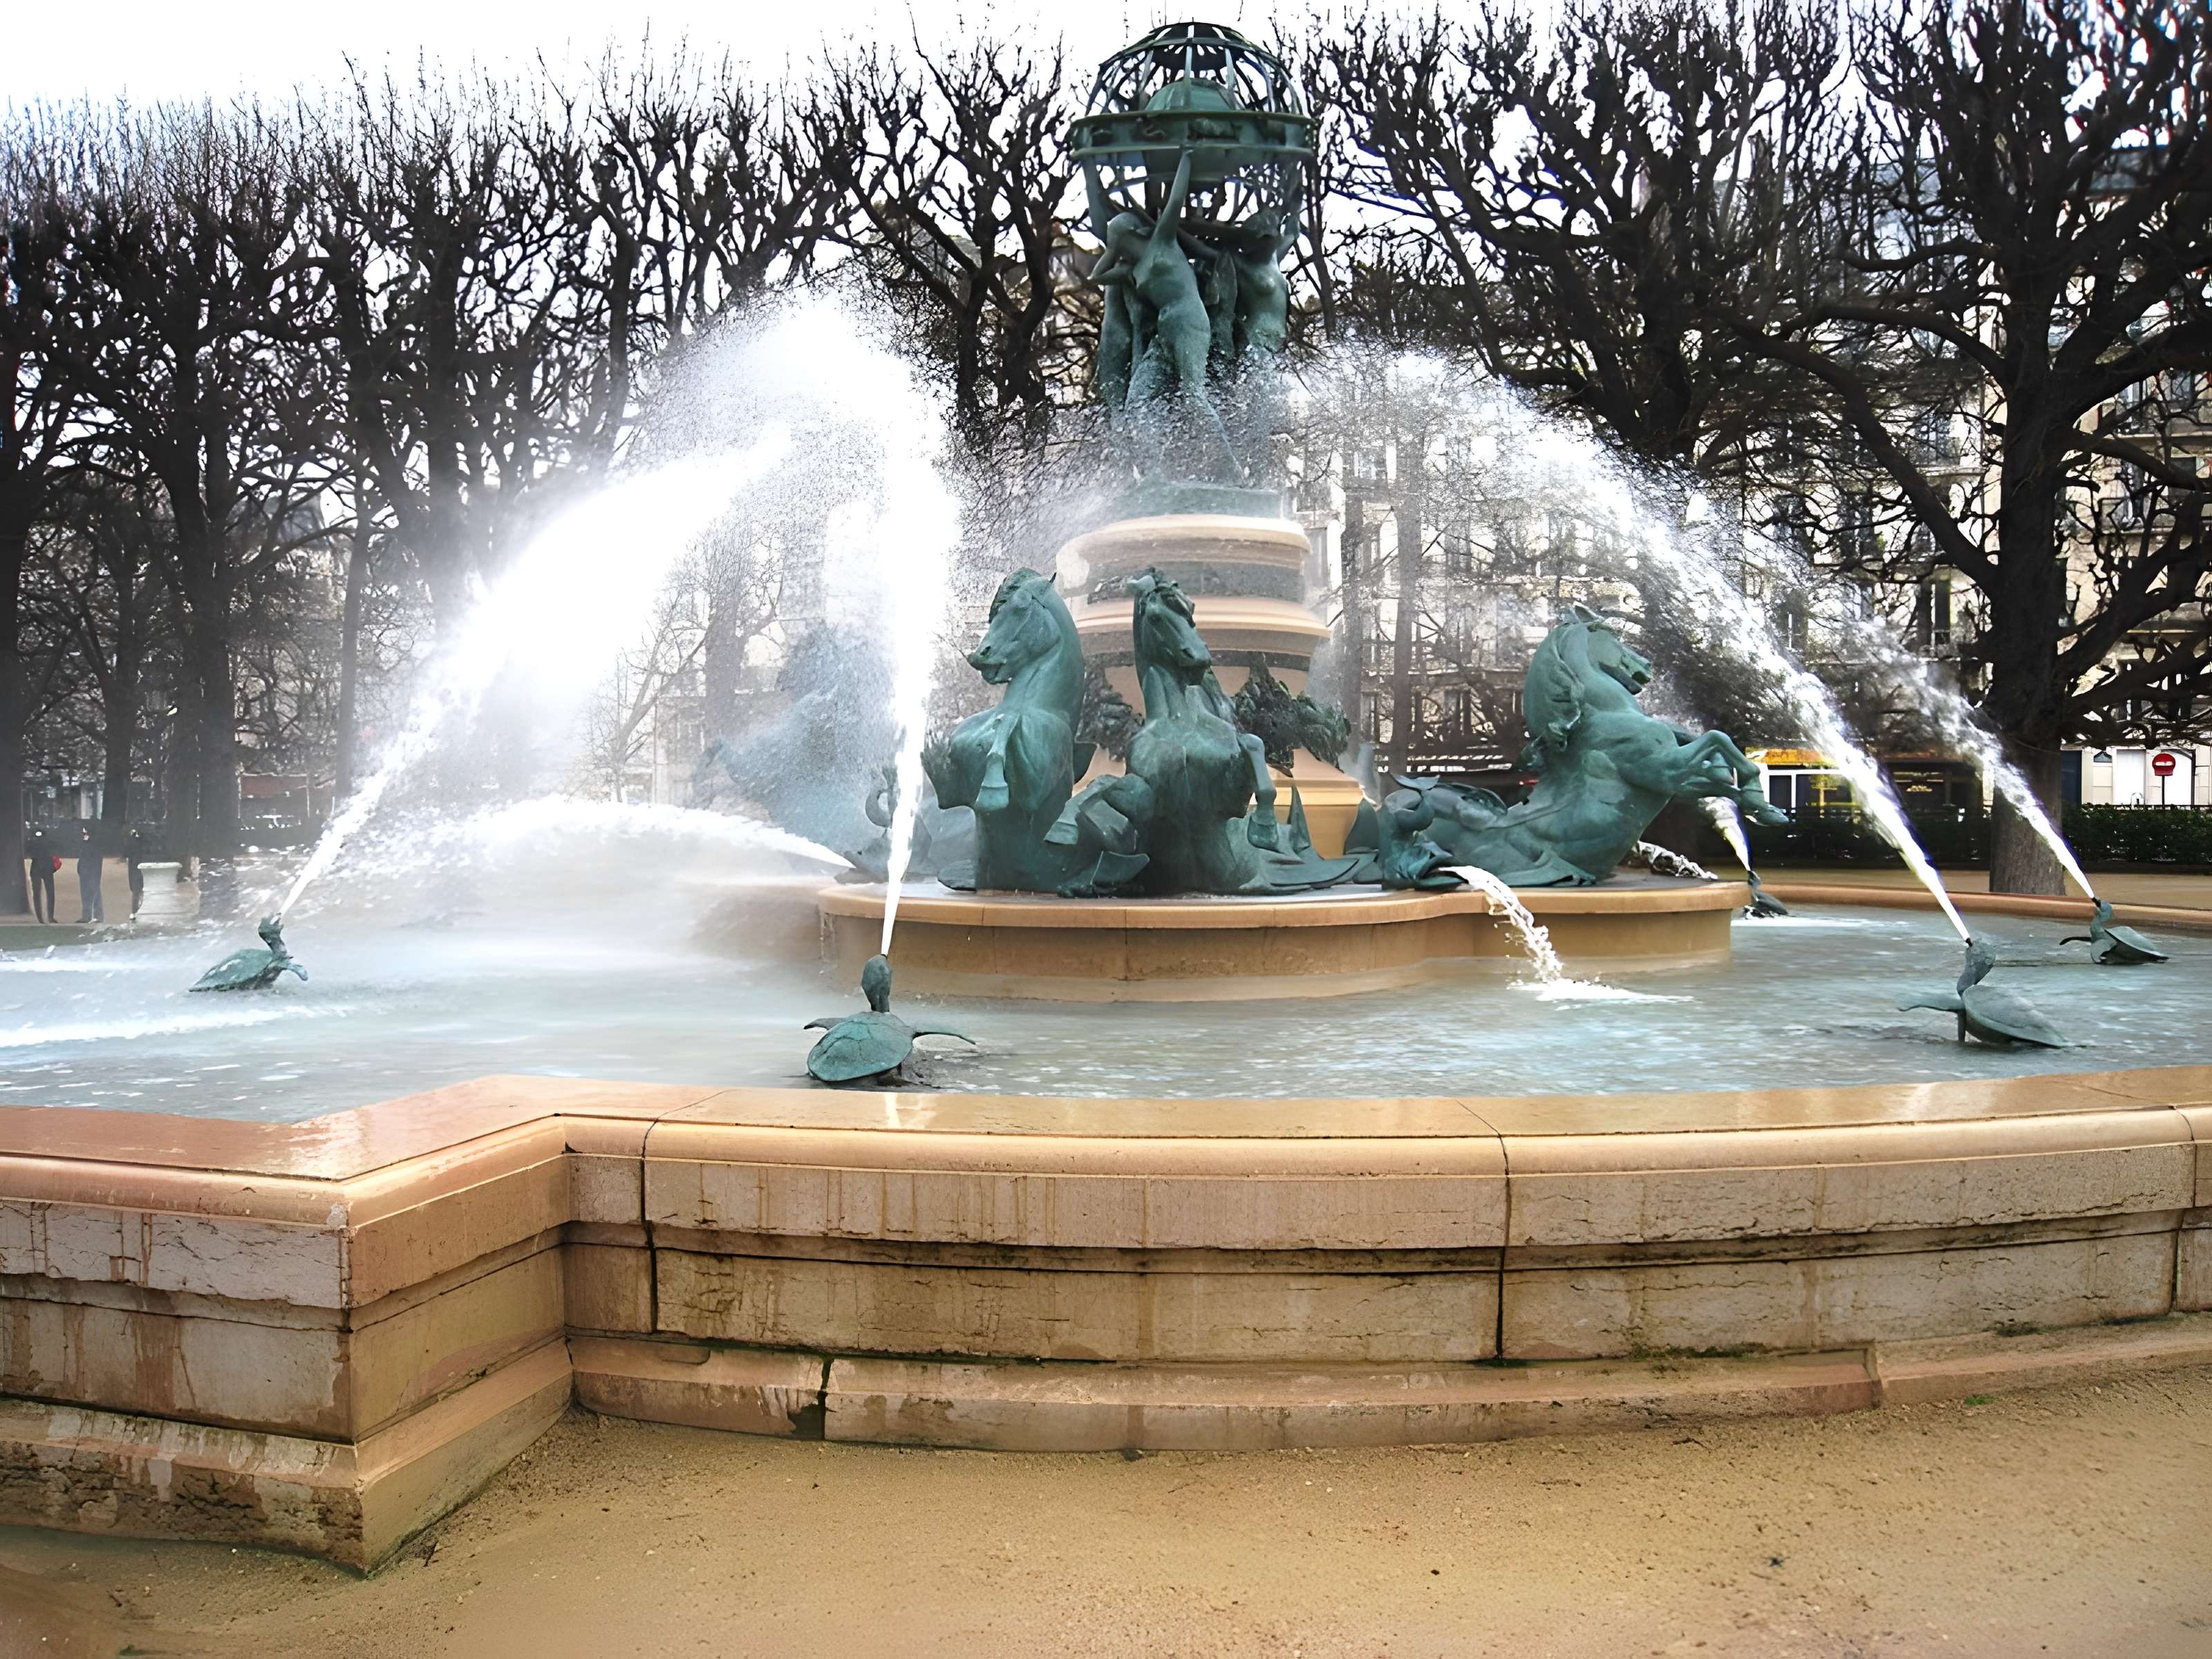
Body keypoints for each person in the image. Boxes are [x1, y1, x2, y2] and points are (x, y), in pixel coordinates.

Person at [24, 825, 57, 924]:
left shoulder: (31, 842)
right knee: (50, 893)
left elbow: (28, 852)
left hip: (36, 868)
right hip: (47, 868)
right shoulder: (48, 841)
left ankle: (40, 918)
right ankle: (50, 917)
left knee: (37, 894)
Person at [75, 823, 104, 924]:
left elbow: (95, 859)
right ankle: (88, 916)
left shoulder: (95, 844)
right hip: (85, 871)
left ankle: (97, 916)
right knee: (87, 894)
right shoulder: (85, 843)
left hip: (92, 871)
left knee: (94, 893)